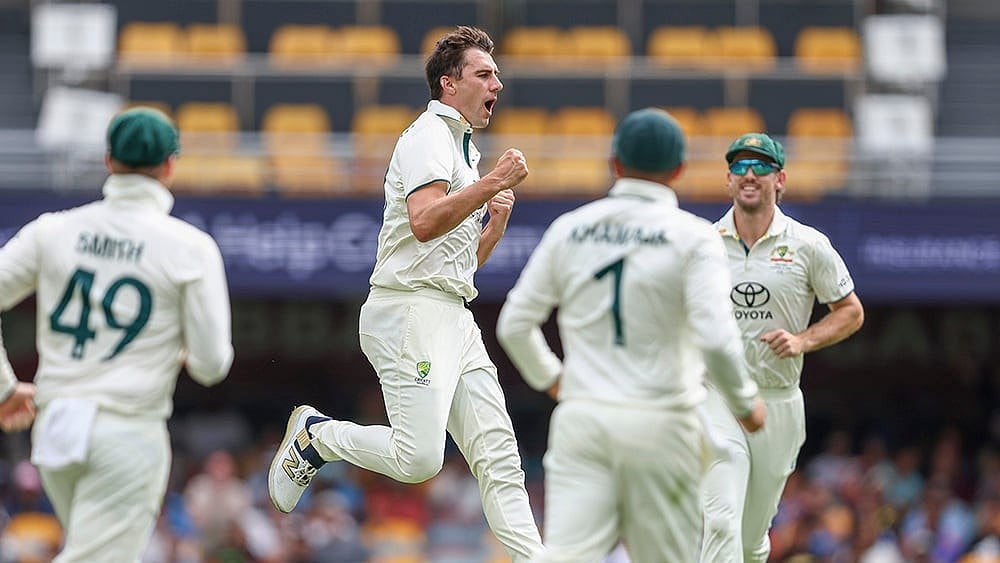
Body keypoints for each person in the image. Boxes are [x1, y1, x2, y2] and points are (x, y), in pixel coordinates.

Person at [267, 25, 543, 562]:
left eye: (497, 74)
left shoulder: (460, 147)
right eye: (485, 74)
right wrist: (490, 184)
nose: (498, 85)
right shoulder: (428, 136)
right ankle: (318, 436)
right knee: (420, 460)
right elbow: (421, 224)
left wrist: (492, 228)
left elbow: (452, 268)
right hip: (408, 313)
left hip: (450, 314)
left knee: (500, 458)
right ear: (448, 83)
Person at [496, 107, 767, 563]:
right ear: (680, 170)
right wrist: (744, 403)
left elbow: (514, 325)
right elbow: (717, 339)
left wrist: (554, 379)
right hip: (663, 423)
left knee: (566, 556)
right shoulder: (695, 237)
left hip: (583, 420)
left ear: (615, 163)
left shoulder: (571, 228)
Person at [0, 106, 234, 561]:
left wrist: (4, 388)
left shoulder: (53, 230)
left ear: (109, 161)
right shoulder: (190, 247)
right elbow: (211, 366)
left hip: (56, 428)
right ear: (169, 166)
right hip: (126, 433)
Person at [700, 132, 865, 563]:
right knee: (720, 520)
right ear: (728, 180)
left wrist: (803, 340)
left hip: (779, 402)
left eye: (760, 166)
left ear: (781, 179)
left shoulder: (809, 244)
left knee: (752, 539)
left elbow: (851, 311)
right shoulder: (702, 243)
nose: (749, 174)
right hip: (717, 397)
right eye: (738, 166)